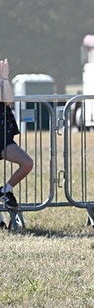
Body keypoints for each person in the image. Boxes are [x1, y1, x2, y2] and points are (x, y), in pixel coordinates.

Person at [0, 59, 34, 210]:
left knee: (27, 163)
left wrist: (4, 78)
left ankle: (5, 191)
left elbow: (8, 100)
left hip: (3, 138)